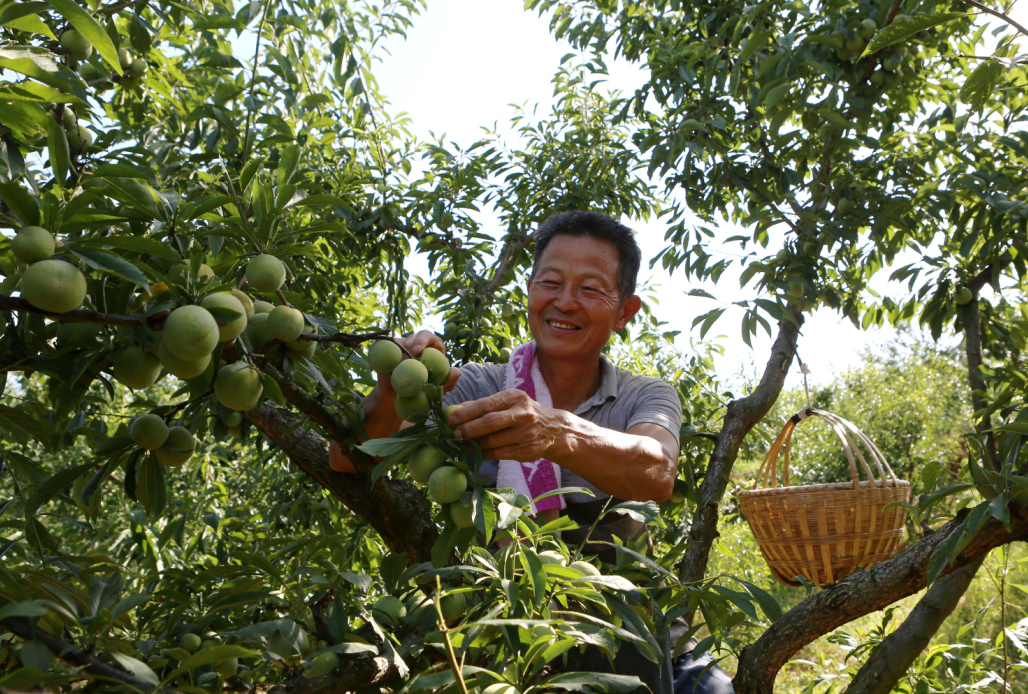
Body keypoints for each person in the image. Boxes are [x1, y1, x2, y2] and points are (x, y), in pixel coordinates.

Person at [329, 210, 733, 694]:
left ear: (625, 311)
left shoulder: (644, 396)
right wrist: (395, 385)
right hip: (509, 646)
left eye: (589, 288)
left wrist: (556, 433)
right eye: (551, 282)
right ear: (529, 292)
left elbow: (656, 469)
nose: (565, 301)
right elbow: (347, 459)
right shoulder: (480, 387)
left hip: (640, 643)